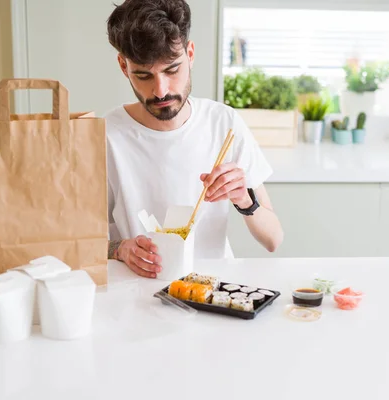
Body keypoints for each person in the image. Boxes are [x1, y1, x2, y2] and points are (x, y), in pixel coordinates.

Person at [105, 0, 283, 278]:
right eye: (143, 75)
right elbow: (76, 242)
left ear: (190, 54)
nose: (161, 90)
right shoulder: (105, 136)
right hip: (138, 295)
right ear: (123, 66)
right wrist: (119, 249)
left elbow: (273, 239)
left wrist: (244, 200)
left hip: (213, 292)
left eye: (172, 70)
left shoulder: (224, 123)